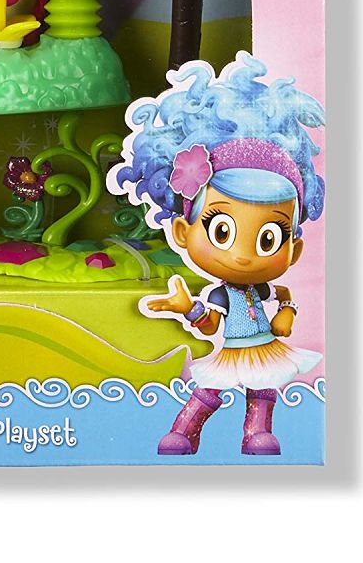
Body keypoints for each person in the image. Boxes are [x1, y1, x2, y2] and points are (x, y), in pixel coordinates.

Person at [110, 52, 324, 455]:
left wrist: (287, 309)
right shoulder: (224, 293)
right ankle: (184, 430)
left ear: (294, 249)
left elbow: (280, 318)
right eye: (222, 231)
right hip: (231, 350)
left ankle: (257, 433)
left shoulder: (264, 290)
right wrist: (186, 307)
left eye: (268, 238)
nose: (242, 256)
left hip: (263, 347)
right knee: (209, 390)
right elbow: (210, 326)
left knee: (263, 390)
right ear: (182, 230)